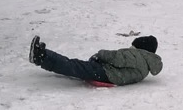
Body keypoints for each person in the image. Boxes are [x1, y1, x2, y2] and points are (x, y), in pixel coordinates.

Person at [28, 34, 162, 85]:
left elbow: (117, 58)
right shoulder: (145, 63)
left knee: (74, 66)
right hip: (113, 75)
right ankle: (43, 57)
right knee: (75, 66)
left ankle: (41, 56)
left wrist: (100, 55)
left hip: (107, 73)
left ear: (140, 48)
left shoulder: (137, 56)